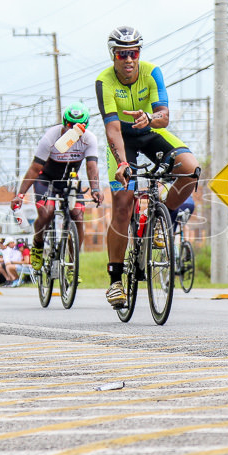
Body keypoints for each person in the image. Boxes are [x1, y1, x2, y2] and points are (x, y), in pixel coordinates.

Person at [96, 26, 201, 308]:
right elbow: (113, 129)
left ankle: (160, 218)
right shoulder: (104, 81)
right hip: (122, 139)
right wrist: (121, 163)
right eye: (122, 54)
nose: (129, 59)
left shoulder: (152, 72)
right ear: (114, 56)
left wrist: (150, 118)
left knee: (190, 170)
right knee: (122, 202)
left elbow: (164, 117)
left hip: (151, 130)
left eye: (134, 53)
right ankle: (116, 281)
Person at [11, 102, 103, 274]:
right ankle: (38, 242)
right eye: (68, 125)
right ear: (63, 122)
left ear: (85, 126)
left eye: (77, 127)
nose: (71, 130)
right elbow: (34, 168)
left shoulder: (89, 138)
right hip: (46, 180)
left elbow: (92, 166)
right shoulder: (50, 137)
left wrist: (96, 189)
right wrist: (20, 194)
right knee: (46, 213)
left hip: (70, 181)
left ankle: (72, 264)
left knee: (78, 215)